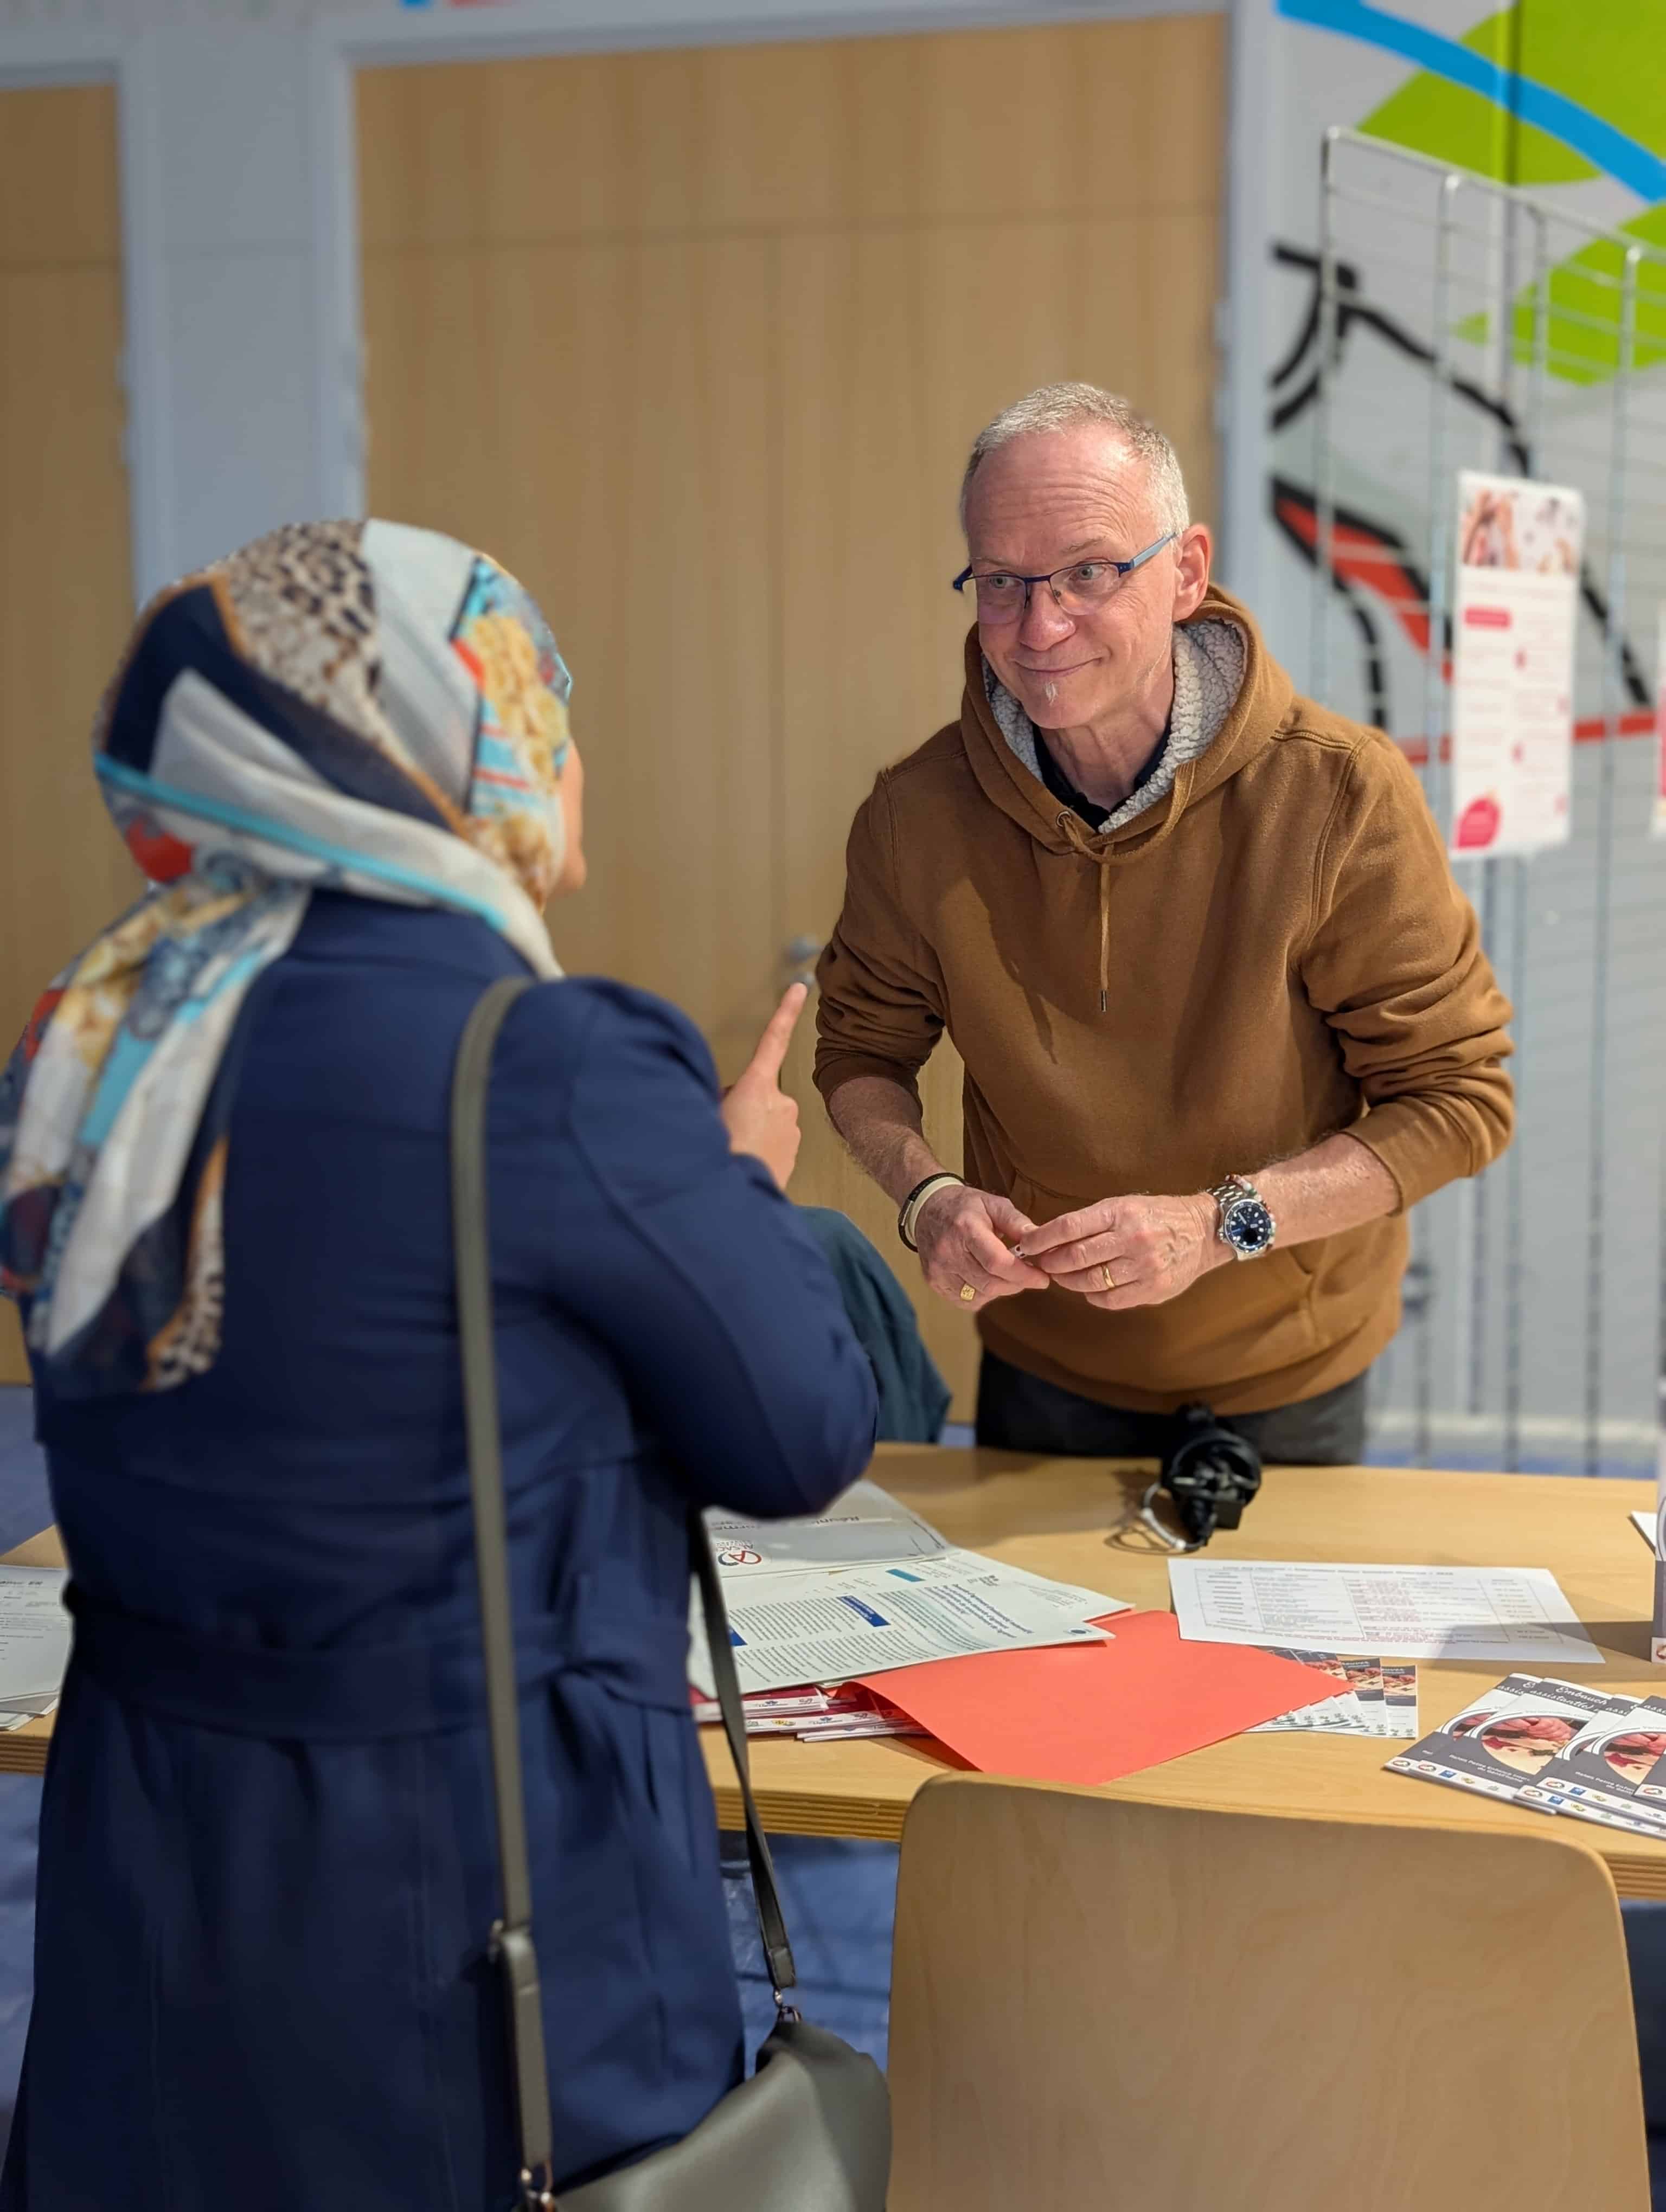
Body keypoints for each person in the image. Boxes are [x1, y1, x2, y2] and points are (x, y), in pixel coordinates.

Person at [0, 520, 877, 2208]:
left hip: (141, 1864)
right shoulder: (541, 1056)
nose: (563, 753)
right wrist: (738, 1185)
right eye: (535, 706)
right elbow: (802, 1428)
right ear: (429, 738)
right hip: (463, 1892)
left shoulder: (90, 1033)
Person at [815, 382, 1514, 1464]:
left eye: (1089, 573)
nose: (1040, 627)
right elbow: (860, 1055)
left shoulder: (1340, 796)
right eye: (1001, 583)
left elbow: (1460, 1099)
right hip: (1045, 1364)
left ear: (1185, 573)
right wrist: (927, 1196)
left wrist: (1222, 1223)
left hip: (1290, 1364)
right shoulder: (917, 816)